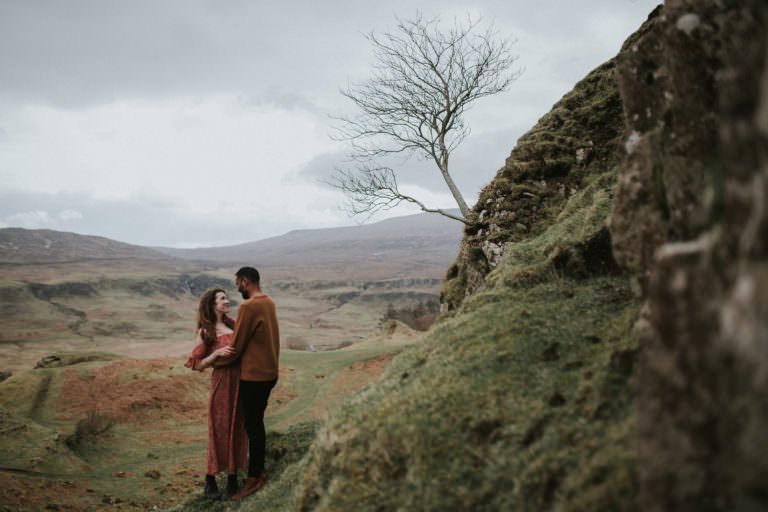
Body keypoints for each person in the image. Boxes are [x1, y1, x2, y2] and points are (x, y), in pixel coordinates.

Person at [212, 266, 280, 501]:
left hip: (254, 377)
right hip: (270, 373)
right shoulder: (267, 302)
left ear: (245, 281)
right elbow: (247, 327)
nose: (236, 288)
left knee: (253, 426)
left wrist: (211, 363)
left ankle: (254, 478)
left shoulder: (249, 306)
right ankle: (256, 471)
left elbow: (236, 346)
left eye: (238, 283)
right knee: (255, 423)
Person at [184, 288, 245, 500]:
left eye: (226, 298)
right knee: (219, 430)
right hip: (222, 383)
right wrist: (216, 354)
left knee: (237, 429)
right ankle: (210, 480)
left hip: (240, 381)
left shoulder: (232, 325)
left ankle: (232, 481)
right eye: (222, 299)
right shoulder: (205, 332)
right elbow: (198, 365)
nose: (227, 301)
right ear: (212, 304)